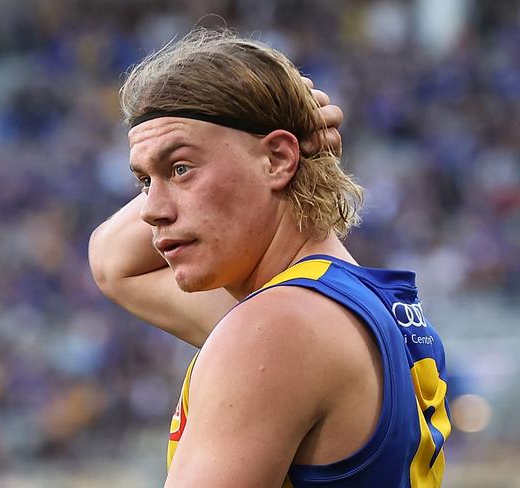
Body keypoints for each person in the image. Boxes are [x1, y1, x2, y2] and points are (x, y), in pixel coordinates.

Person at [89, 29, 450, 488]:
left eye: (181, 168)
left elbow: (112, 262)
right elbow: (112, 264)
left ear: (278, 159)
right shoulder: (357, 308)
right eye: (145, 181)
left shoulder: (275, 330)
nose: (154, 211)